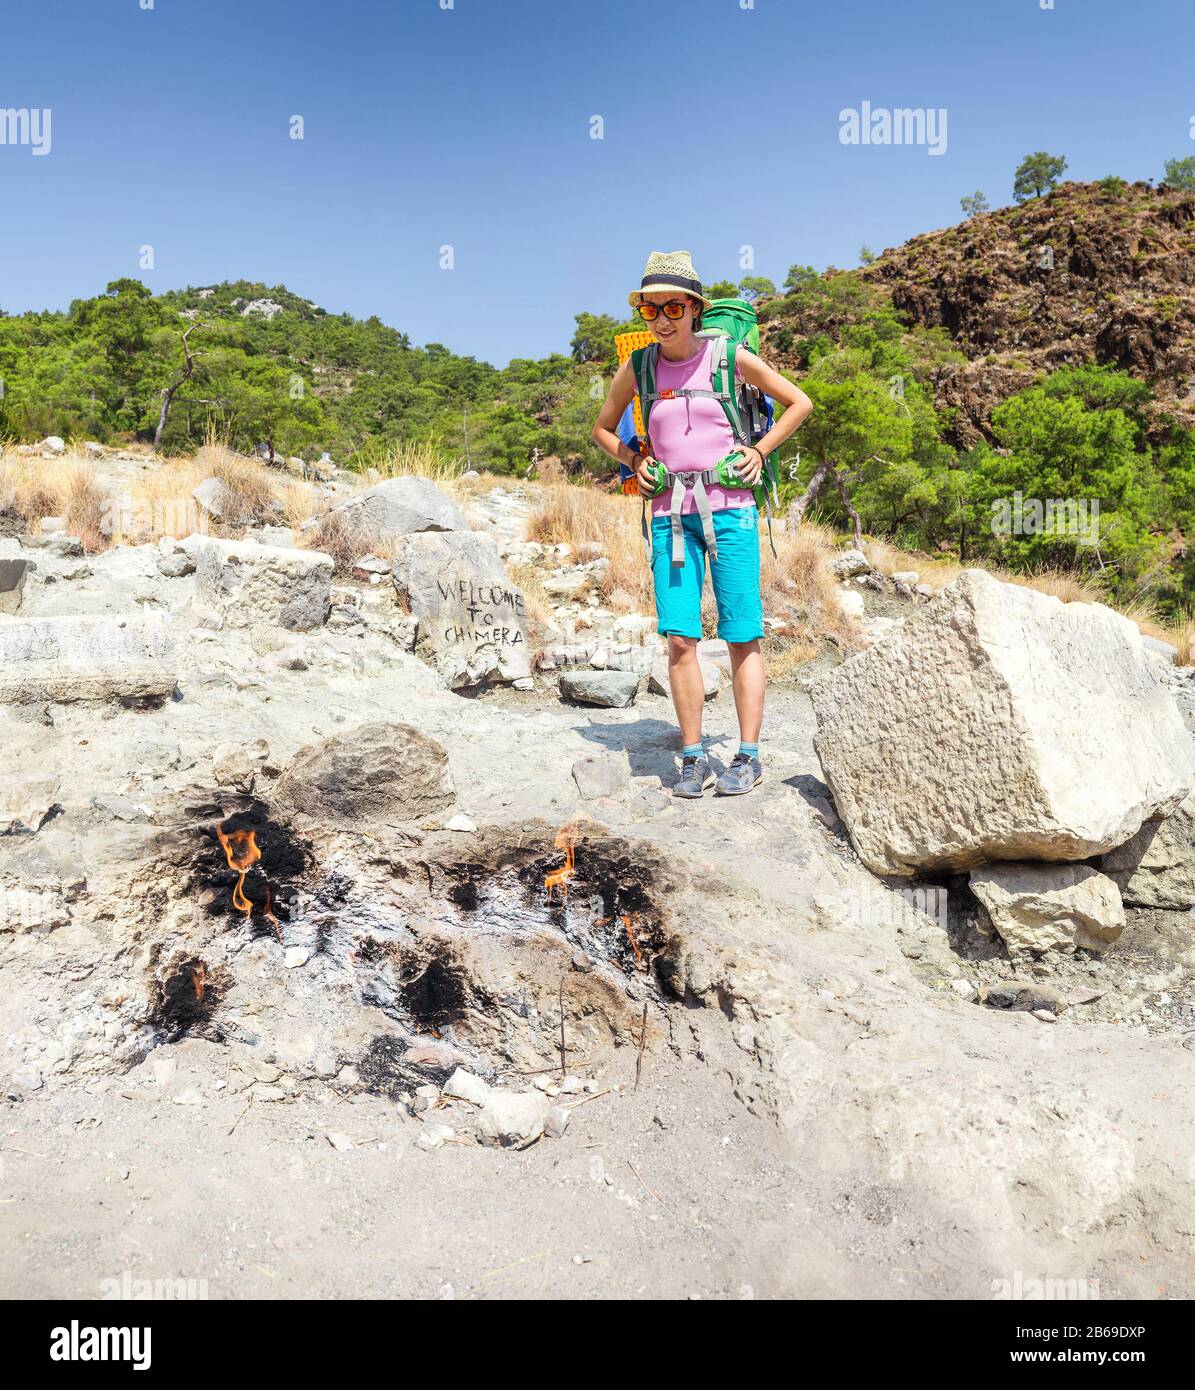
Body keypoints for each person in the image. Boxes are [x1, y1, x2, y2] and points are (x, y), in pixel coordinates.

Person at [592, 249, 812, 797]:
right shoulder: (639, 366)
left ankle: (749, 755)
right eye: (650, 310)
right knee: (681, 640)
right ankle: (692, 757)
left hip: (732, 512)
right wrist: (635, 462)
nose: (661, 319)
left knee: (742, 635)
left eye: (672, 307)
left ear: (694, 308)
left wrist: (759, 451)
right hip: (670, 519)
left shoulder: (729, 355)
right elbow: (601, 429)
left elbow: (798, 403)